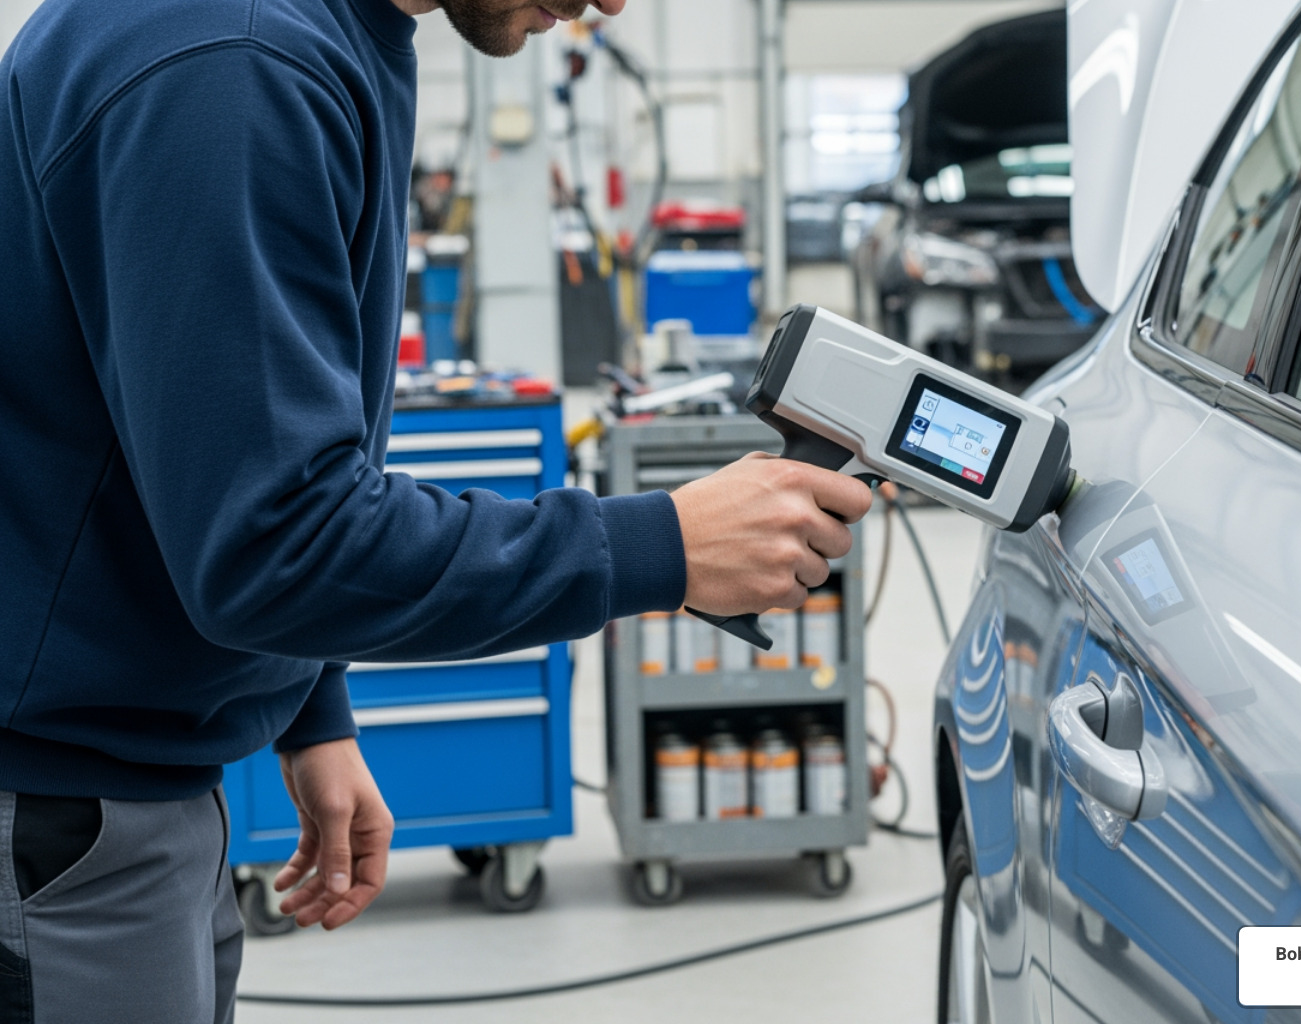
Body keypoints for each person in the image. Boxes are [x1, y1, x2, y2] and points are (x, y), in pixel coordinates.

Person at [0, 0, 872, 1018]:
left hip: (133, 783)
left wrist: (310, 707)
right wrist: (660, 544)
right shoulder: (235, 63)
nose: (615, 4)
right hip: (63, 812)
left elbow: (224, 442)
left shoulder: (312, 34)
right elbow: (276, 540)